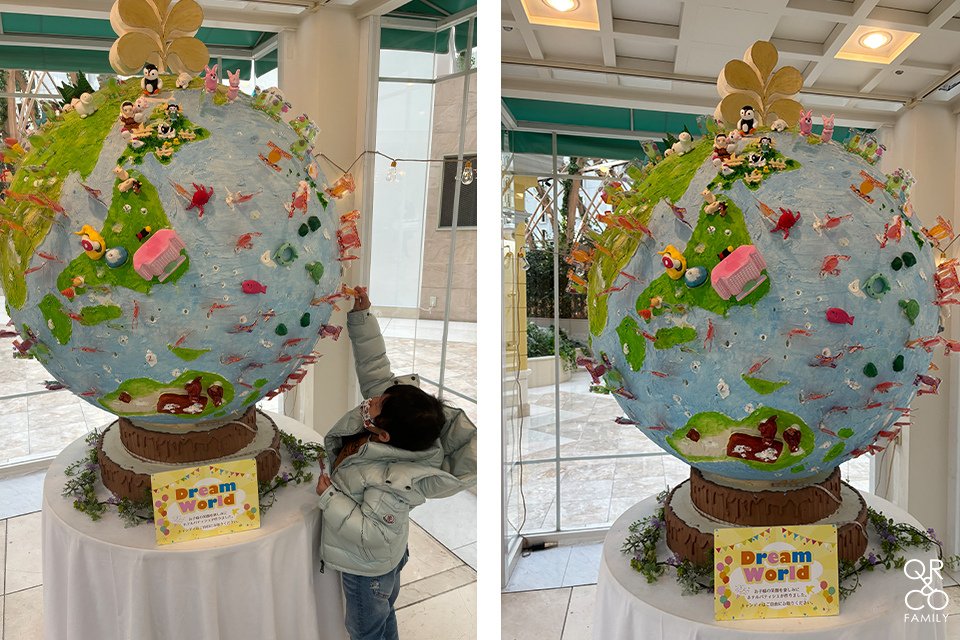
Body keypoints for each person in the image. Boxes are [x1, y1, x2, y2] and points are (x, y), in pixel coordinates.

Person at [316, 286, 477, 640]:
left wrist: (329, 497)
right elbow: (375, 367)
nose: (369, 401)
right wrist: (362, 316)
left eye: (372, 406)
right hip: (386, 554)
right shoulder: (399, 423)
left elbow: (370, 533)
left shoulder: (393, 481)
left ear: (382, 435)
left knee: (366, 630)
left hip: (368, 568)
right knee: (384, 617)